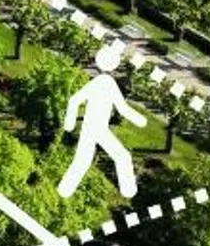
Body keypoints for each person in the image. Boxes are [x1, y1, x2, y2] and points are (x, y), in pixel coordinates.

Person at [57, 40, 147, 201]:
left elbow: (74, 100)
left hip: (93, 128)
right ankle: (128, 190)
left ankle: (64, 190)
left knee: (84, 160)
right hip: (96, 129)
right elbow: (122, 108)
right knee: (121, 156)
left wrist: (70, 123)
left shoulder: (100, 82)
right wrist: (140, 120)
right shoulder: (106, 83)